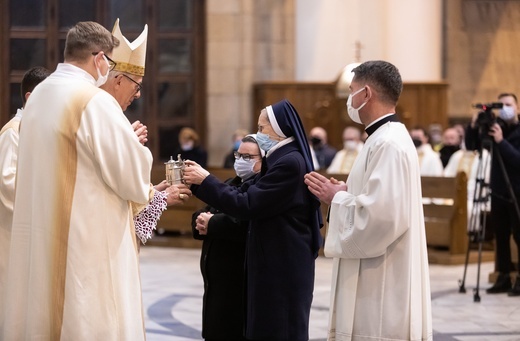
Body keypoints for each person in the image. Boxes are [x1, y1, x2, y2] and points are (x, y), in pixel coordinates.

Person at [1, 21, 191, 339]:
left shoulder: (38, 98)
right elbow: (130, 176)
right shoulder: (94, 101)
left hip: (45, 236)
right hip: (84, 241)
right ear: (100, 59)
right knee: (84, 318)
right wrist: (133, 146)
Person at [304, 60, 432, 341]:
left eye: (351, 91)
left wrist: (336, 198)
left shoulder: (387, 143)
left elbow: (383, 216)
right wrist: (349, 191)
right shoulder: (383, 138)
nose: (349, 99)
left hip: (382, 281)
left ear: (366, 94)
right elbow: (380, 196)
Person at [183, 99, 322, 341]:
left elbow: (248, 204)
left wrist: (206, 179)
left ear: (280, 128)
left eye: (262, 128)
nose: (258, 134)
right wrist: (202, 183)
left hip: (282, 265)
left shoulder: (289, 162)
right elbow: (245, 194)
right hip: (271, 261)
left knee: (280, 331)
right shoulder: (280, 158)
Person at [192, 134, 264, 341]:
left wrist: (212, 223)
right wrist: (202, 220)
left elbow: (244, 223)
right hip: (215, 282)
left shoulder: (259, 187)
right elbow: (202, 212)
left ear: (262, 160)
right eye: (238, 155)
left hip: (238, 280)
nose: (240, 160)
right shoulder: (230, 182)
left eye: (248, 157)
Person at [0, 66, 51, 322]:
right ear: (31, 97)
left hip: (34, 227)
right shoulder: (13, 131)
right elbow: (7, 181)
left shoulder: (37, 130)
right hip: (14, 230)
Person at [465, 92, 520, 296]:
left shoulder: (513, 132)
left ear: (517, 107)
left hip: (517, 191)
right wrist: (473, 127)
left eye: (508, 104)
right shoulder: (495, 127)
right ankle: (503, 276)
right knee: (501, 236)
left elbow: (517, 161)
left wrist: (501, 141)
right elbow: (473, 146)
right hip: (498, 190)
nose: (504, 108)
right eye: (501, 105)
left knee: (519, 235)